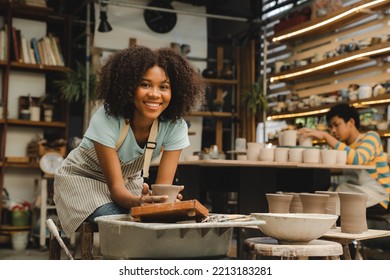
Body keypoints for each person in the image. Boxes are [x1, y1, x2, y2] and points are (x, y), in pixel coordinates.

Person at [53, 45, 206, 237]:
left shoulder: (175, 127)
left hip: (129, 185)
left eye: (164, 87)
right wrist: (140, 204)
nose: (155, 94)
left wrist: (161, 201)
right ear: (129, 87)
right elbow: (116, 189)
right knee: (121, 222)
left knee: (153, 223)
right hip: (83, 181)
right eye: (145, 84)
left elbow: (162, 189)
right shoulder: (106, 118)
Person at [299, 103, 390, 214]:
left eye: (336, 125)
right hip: (357, 191)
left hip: (379, 197)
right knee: (321, 201)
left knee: (331, 208)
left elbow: (357, 159)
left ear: (351, 122)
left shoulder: (371, 137)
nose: (333, 130)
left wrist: (326, 136)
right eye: (331, 127)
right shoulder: (344, 146)